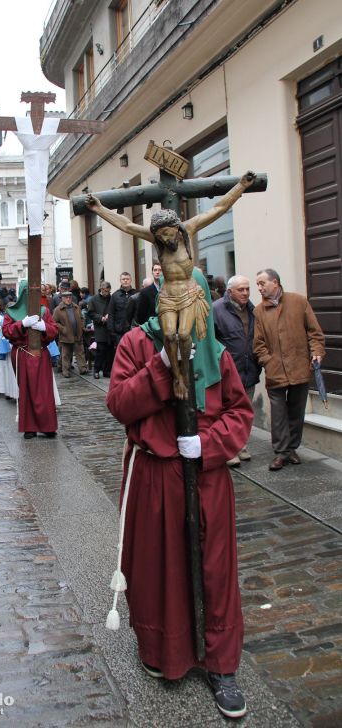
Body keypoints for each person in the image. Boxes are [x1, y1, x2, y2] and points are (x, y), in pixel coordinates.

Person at [105, 269, 253, 719]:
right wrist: (163, 368)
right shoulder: (136, 343)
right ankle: (161, 648)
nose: (180, 314)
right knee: (156, 568)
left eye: (189, 303)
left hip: (206, 479)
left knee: (214, 571)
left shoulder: (218, 354)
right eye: (171, 303)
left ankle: (221, 664)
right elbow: (119, 404)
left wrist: (208, 445)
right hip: (154, 474)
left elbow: (239, 413)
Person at [86, 172, 255, 399]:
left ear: (176, 228)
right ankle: (177, 378)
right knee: (169, 336)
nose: (167, 240)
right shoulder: (155, 237)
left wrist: (241, 186)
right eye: (162, 236)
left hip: (188, 293)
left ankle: (184, 374)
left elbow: (218, 208)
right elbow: (126, 225)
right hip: (167, 295)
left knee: (184, 335)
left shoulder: (188, 228)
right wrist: (99, 209)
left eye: (169, 234)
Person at [253, 268, 325, 471]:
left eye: (262, 283)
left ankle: (292, 448)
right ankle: (281, 452)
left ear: (275, 282)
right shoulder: (259, 311)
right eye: (257, 284)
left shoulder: (299, 302)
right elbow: (258, 343)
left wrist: (316, 352)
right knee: (278, 414)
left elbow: (315, 333)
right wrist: (268, 360)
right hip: (275, 371)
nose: (258, 288)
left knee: (296, 411)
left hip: (300, 367)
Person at [213, 275, 261, 466]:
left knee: (244, 412)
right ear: (230, 291)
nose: (245, 293)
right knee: (227, 412)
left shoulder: (252, 310)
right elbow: (212, 342)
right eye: (241, 289)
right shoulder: (217, 309)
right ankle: (228, 450)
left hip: (249, 370)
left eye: (247, 289)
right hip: (228, 372)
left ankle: (241, 446)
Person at [2, 281, 58, 439]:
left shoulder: (44, 311)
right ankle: (29, 427)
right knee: (26, 390)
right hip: (22, 353)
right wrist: (22, 324)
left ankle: (47, 426)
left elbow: (54, 330)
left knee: (44, 391)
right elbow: (6, 331)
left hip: (40, 353)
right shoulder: (11, 312)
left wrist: (45, 327)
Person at [53, 290, 88, 377]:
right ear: (62, 299)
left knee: (80, 352)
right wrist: (63, 329)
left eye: (70, 297)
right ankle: (65, 371)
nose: (68, 299)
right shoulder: (58, 310)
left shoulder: (76, 307)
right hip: (66, 335)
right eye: (66, 298)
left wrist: (81, 325)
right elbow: (54, 322)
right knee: (66, 354)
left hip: (77, 333)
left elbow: (81, 318)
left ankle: (83, 369)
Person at [88, 281, 114, 379]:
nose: (106, 293)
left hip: (110, 328)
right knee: (100, 350)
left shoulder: (112, 298)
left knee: (110, 350)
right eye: (105, 291)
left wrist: (109, 316)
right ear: (101, 289)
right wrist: (100, 318)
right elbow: (90, 313)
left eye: (108, 291)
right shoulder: (93, 299)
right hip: (100, 328)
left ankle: (107, 371)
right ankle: (97, 370)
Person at [106, 272, 137, 347]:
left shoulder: (136, 294)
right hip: (119, 332)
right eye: (123, 279)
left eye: (127, 279)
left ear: (131, 280)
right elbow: (111, 314)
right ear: (120, 281)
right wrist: (112, 331)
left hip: (134, 330)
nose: (125, 281)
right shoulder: (115, 295)